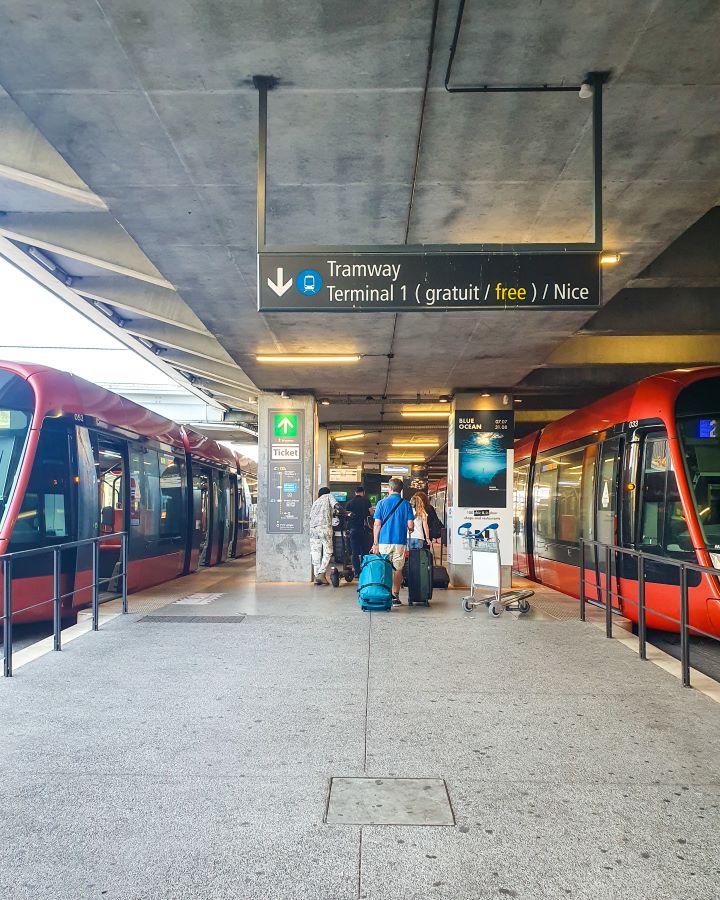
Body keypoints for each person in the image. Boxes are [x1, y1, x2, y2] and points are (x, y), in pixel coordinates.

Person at [372, 477, 414, 605]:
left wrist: (375, 543)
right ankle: (395, 596)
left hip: (384, 541)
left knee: (385, 568)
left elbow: (377, 524)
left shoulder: (381, 503)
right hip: (399, 542)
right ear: (401, 490)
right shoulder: (406, 504)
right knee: (397, 569)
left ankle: (385, 594)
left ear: (389, 488)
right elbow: (411, 525)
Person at [309, 487, 337, 585]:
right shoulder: (328, 496)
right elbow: (336, 506)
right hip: (324, 527)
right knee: (328, 551)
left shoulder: (315, 502)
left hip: (313, 528)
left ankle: (317, 576)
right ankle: (321, 573)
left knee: (315, 552)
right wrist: (346, 512)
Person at [345, 484, 371, 576]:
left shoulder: (349, 502)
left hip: (353, 529)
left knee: (354, 551)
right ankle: (364, 570)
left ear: (355, 492)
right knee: (364, 551)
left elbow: (346, 516)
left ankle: (356, 571)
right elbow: (371, 513)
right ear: (363, 493)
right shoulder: (366, 501)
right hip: (364, 529)